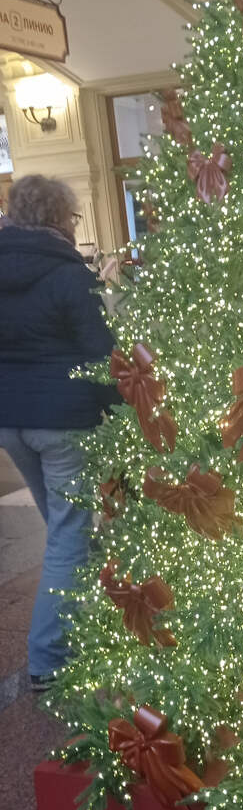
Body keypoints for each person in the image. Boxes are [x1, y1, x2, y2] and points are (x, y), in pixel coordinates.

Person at [0, 175, 116, 691]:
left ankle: (86, 616)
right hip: (64, 420)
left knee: (64, 527)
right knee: (70, 533)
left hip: (11, 419)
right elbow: (100, 354)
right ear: (58, 217)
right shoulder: (71, 274)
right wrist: (121, 411)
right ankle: (49, 658)